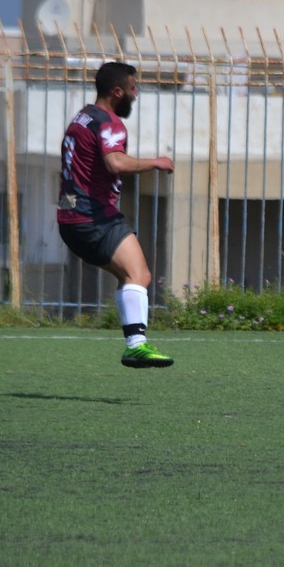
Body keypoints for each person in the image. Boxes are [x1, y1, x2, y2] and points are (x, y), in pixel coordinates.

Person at [57, 61, 175, 368]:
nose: (136, 94)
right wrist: (156, 162)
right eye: (133, 88)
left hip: (70, 219)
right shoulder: (110, 123)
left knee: (129, 276)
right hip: (94, 217)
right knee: (140, 275)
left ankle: (135, 343)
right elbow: (115, 163)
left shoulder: (83, 117)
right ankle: (136, 345)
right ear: (118, 92)